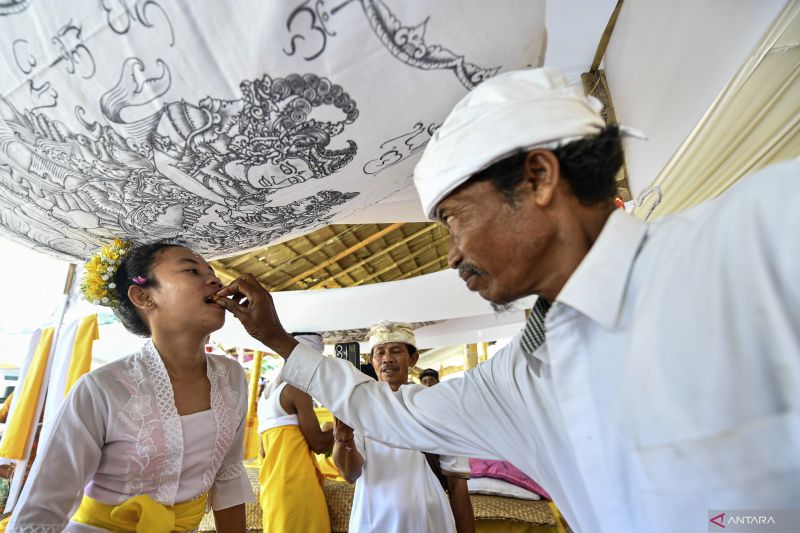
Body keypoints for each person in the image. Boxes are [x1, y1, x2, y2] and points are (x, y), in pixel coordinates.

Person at [215, 67, 800, 533]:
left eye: (453, 220)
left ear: (539, 178)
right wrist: (278, 341)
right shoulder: (520, 373)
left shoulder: (762, 234)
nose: (449, 255)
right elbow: (395, 415)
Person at [8, 240, 252, 533]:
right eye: (191, 271)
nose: (214, 279)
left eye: (212, 272)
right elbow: (44, 505)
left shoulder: (232, 378)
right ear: (143, 296)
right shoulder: (103, 389)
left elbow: (228, 476)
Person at [332, 321, 473, 533]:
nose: (387, 358)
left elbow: (457, 485)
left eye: (396, 351)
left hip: (430, 524)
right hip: (373, 524)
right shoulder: (360, 407)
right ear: (372, 361)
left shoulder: (437, 406)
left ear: (413, 358)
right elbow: (350, 474)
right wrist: (343, 436)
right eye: (380, 353)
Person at [257, 333, 333, 533]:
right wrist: (344, 425)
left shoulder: (264, 398)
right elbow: (319, 444)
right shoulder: (296, 389)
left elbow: (264, 452)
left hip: (272, 486)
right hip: (296, 486)